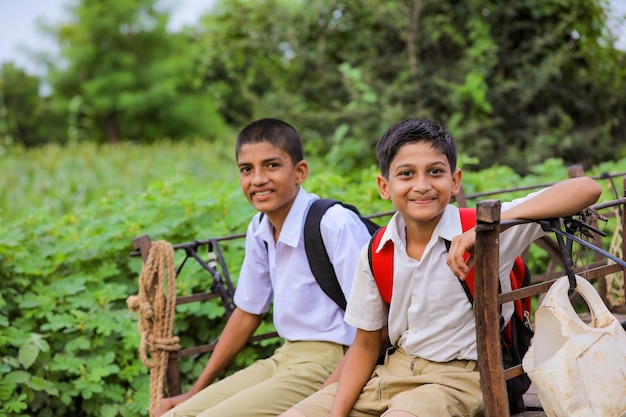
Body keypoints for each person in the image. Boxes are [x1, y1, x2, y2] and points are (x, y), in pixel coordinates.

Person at [279, 117, 602, 417]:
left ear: (455, 180)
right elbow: (365, 344)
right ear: (384, 185)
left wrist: (487, 226)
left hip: (459, 378)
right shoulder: (376, 249)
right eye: (406, 174)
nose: (422, 185)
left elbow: (586, 188)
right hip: (392, 372)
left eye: (435, 172)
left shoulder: (487, 233)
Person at [151, 118, 373, 417]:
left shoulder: (332, 223)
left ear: (300, 172)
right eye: (247, 169)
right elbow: (247, 313)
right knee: (176, 415)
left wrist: (325, 399)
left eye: (271, 165)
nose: (257, 179)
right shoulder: (260, 228)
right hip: (285, 356)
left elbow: (373, 320)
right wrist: (193, 392)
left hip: (334, 359)